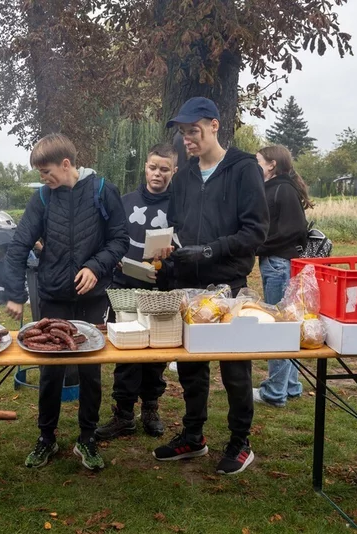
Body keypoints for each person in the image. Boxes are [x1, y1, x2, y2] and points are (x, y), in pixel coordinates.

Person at [154, 97, 268, 475]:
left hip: (228, 284)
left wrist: (209, 250)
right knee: (191, 366)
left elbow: (255, 231)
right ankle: (193, 436)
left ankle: (240, 441)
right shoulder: (184, 177)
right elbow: (176, 225)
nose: (187, 139)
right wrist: (169, 251)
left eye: (194, 131)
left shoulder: (244, 169)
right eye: (183, 133)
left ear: (215, 125)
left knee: (235, 368)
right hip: (189, 284)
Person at [2, 133, 129, 471]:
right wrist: (15, 294)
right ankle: (46, 437)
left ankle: (87, 438)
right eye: (40, 173)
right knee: (51, 370)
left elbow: (120, 239)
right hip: (54, 296)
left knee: (90, 369)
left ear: (66, 164)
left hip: (93, 297)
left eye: (47, 172)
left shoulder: (102, 190)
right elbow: (19, 245)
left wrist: (95, 266)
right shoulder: (43, 198)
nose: (44, 178)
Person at [96, 143, 177, 441]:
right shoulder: (125, 201)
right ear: (145, 167)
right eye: (153, 167)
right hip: (125, 287)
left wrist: (169, 261)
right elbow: (109, 238)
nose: (157, 174)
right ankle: (124, 414)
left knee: (156, 353)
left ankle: (151, 409)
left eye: (164, 169)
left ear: (174, 171)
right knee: (128, 352)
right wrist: (113, 257)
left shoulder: (180, 205)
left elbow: (185, 246)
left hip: (161, 288)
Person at [253, 145, 312, 407]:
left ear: (272, 164)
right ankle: (290, 385)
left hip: (278, 264)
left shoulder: (282, 189)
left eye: (258, 161)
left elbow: (294, 230)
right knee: (288, 323)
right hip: (278, 263)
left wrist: (257, 246)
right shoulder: (278, 187)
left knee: (279, 326)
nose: (256, 166)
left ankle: (274, 392)